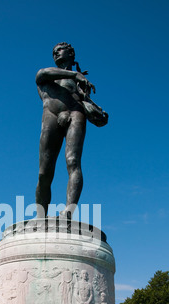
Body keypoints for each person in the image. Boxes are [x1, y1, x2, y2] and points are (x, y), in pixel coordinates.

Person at [35, 42, 107, 218]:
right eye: (54, 51)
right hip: (51, 114)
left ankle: (69, 211)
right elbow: (42, 74)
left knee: (73, 161)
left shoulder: (81, 83)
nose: (56, 53)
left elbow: (92, 109)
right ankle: (41, 215)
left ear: (71, 53)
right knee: (44, 172)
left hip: (75, 113)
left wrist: (88, 99)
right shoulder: (48, 75)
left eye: (60, 50)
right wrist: (75, 74)